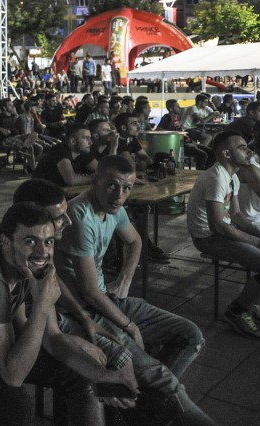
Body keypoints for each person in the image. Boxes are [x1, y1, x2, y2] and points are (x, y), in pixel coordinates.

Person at [0, 202, 133, 426]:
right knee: (17, 402)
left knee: (79, 375)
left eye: (48, 242)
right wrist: (41, 305)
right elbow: (13, 376)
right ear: (6, 242)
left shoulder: (29, 267)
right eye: (30, 241)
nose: (42, 252)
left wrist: (102, 376)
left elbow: (52, 337)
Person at [56, 154, 215, 425]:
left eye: (127, 188)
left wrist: (125, 281)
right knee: (161, 377)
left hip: (107, 300)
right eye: (112, 185)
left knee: (191, 336)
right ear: (95, 181)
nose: (119, 195)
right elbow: (90, 293)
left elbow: (135, 241)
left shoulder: (114, 209)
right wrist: (129, 325)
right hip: (80, 310)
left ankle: (142, 405)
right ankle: (156, 399)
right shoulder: (80, 217)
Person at [187, 130, 260, 339]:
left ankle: (249, 303)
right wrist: (257, 241)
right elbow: (217, 226)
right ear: (226, 153)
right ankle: (237, 311)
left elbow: (237, 215)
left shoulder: (231, 176)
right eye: (242, 148)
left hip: (222, 232)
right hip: (208, 238)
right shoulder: (216, 177)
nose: (248, 150)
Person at [33, 122, 94, 186]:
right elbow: (71, 180)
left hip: (61, 192)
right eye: (86, 138)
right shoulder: (60, 150)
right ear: (72, 141)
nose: (90, 142)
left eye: (90, 138)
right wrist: (95, 178)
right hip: (41, 193)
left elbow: (101, 169)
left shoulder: (82, 152)